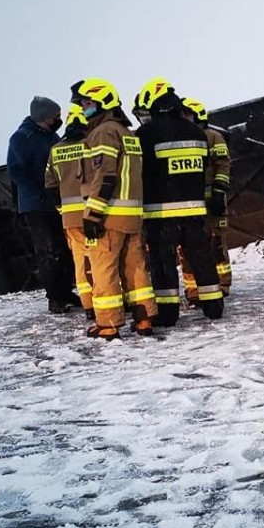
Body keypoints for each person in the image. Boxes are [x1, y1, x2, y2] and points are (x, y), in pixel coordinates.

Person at [71, 78, 158, 339]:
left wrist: (93, 213)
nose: (84, 109)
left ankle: (108, 324)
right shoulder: (126, 133)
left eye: (87, 103)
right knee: (135, 268)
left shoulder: (103, 132)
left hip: (109, 215)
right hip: (131, 215)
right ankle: (144, 318)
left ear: (103, 102)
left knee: (103, 268)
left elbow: (105, 176)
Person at [135, 82, 224, 325]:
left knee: (163, 264)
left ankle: (168, 313)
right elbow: (203, 167)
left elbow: (139, 171)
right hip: (195, 209)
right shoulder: (197, 132)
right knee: (201, 258)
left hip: (160, 212)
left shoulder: (145, 135)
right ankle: (214, 306)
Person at [6, 95, 81, 313]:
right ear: (43, 118)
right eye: (55, 117)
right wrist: (39, 192)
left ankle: (65, 291)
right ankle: (55, 297)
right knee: (48, 251)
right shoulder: (22, 138)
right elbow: (16, 171)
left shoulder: (51, 136)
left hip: (55, 202)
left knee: (63, 249)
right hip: (36, 206)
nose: (59, 120)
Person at [179, 97, 233, 303]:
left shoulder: (213, 137)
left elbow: (223, 164)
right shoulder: (183, 139)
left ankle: (222, 283)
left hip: (214, 201)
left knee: (217, 243)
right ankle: (193, 290)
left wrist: (220, 191)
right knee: (189, 248)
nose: (185, 118)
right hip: (191, 203)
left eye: (188, 114)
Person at [43, 105, 95, 318]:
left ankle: (89, 305)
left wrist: (62, 209)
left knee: (80, 261)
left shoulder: (56, 150)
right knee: (101, 259)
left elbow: (50, 185)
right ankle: (109, 300)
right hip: (95, 213)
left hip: (70, 218)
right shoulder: (92, 144)